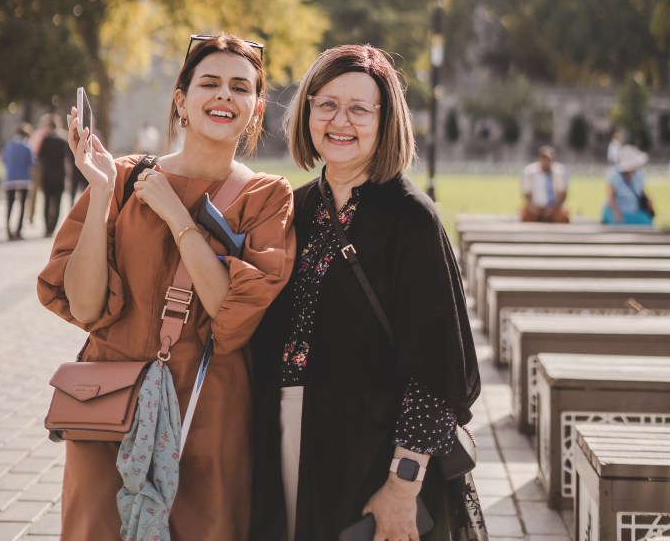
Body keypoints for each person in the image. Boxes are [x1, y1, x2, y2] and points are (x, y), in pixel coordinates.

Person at [38, 33, 295, 541]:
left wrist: (179, 217)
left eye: (240, 87)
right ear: (181, 99)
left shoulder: (266, 196)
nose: (224, 95)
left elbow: (230, 313)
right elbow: (86, 307)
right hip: (107, 402)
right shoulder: (123, 178)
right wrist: (102, 192)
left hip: (207, 406)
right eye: (210, 83)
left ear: (256, 108)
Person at [249, 44, 487, 541]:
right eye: (327, 104)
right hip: (287, 437)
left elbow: (437, 370)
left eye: (359, 109)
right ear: (307, 111)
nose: (341, 121)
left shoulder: (412, 220)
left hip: (374, 453)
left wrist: (402, 486)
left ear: (385, 121)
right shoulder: (296, 208)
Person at [602, 143, 654, 225]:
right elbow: (611, 198)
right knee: (618, 222)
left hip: (633, 210)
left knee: (646, 221)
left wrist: (648, 202)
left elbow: (641, 192)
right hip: (616, 210)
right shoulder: (614, 176)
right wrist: (616, 211)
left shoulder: (638, 175)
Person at [519, 145, 569, 223]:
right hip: (535, 207)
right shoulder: (530, 172)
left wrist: (553, 208)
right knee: (525, 216)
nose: (546, 162)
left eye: (548, 159)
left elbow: (563, 193)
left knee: (562, 217)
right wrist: (532, 206)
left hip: (553, 207)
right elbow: (526, 192)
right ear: (538, 159)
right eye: (543, 159)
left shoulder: (559, 172)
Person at [38, 115, 70, 237]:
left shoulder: (46, 140)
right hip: (60, 176)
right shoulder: (64, 140)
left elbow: (40, 156)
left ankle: (47, 226)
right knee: (58, 202)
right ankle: (53, 227)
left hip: (47, 175)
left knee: (46, 201)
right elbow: (69, 159)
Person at [2, 123, 33, 240]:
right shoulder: (27, 147)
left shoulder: (9, 145)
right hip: (23, 179)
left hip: (10, 178)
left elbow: (4, 159)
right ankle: (18, 230)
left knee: (10, 204)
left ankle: (8, 229)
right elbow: (31, 162)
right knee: (22, 205)